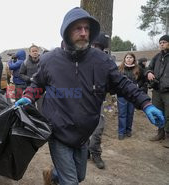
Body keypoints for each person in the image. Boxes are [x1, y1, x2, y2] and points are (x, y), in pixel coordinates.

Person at [14, 7, 165, 185]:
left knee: (80, 176)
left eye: (86, 28)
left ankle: (53, 175)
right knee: (71, 182)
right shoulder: (50, 60)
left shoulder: (101, 61)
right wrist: (29, 96)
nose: (84, 33)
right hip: (58, 131)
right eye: (78, 28)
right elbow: (37, 84)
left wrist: (146, 104)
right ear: (66, 31)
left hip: (84, 133)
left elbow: (124, 85)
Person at [87, 32, 110, 169]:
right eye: (94, 45)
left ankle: (95, 152)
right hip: (82, 99)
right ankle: (84, 152)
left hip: (98, 100)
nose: (96, 49)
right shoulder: (83, 57)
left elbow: (113, 80)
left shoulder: (107, 60)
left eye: (99, 46)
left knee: (98, 128)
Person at [146, 34, 169, 148]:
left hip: (168, 91)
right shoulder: (157, 57)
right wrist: (149, 72)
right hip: (157, 90)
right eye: (160, 43)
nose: (161, 44)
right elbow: (148, 68)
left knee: (168, 114)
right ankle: (160, 133)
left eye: (164, 42)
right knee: (158, 113)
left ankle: (168, 137)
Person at [117, 52, 143, 140]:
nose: (128, 59)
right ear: (124, 59)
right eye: (127, 57)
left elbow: (143, 80)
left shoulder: (138, 69)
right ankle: (121, 132)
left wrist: (138, 85)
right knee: (122, 114)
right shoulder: (119, 69)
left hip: (133, 95)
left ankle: (128, 130)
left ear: (134, 59)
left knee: (130, 113)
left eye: (131, 57)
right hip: (122, 95)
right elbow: (115, 81)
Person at [19, 44, 42, 110]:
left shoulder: (43, 61)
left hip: (41, 88)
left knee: (41, 107)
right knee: (30, 107)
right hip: (30, 88)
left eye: (36, 51)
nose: (35, 52)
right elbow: (21, 74)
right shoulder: (25, 63)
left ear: (38, 52)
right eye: (33, 51)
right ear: (30, 52)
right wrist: (29, 79)